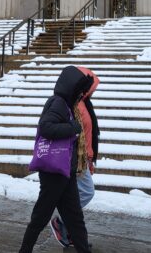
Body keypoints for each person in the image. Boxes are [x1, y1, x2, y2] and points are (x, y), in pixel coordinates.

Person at [19, 66, 94, 253]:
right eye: (79, 92)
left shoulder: (67, 105)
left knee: (75, 219)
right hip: (54, 173)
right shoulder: (58, 103)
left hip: (65, 172)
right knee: (40, 217)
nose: (80, 96)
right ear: (72, 88)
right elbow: (46, 127)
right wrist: (73, 128)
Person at [50, 67, 100, 247]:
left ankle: (71, 233)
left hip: (83, 158)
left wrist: (90, 158)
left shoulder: (85, 103)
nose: (93, 90)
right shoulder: (72, 104)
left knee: (80, 195)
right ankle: (62, 222)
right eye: (92, 87)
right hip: (75, 159)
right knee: (86, 192)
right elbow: (77, 135)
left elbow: (89, 133)